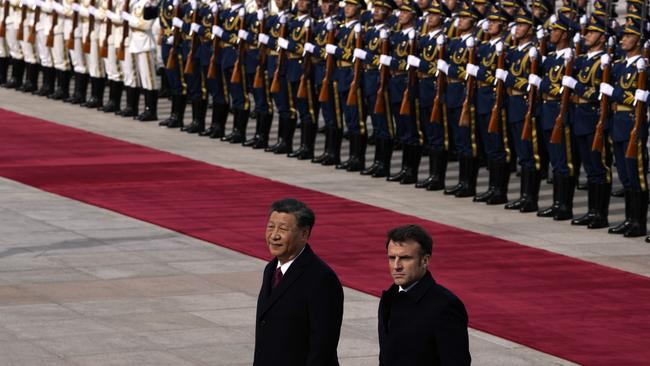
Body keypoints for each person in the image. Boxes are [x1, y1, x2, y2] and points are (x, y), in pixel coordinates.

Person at [254, 198, 344, 366]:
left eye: (283, 229)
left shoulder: (321, 278)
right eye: (271, 226)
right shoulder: (271, 269)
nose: (274, 235)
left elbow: (323, 344)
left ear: (304, 234)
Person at [378, 224, 470, 365]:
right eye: (392, 258)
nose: (396, 266)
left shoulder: (445, 306)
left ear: (425, 261)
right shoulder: (389, 298)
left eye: (405, 258)